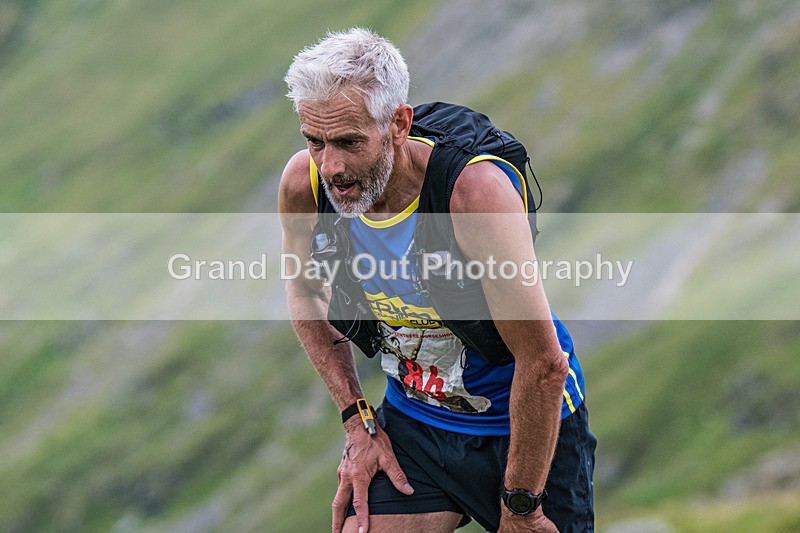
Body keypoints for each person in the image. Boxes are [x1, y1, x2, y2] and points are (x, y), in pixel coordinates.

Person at [279, 28, 595, 533]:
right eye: (314, 141)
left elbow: (544, 364)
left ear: (399, 123)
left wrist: (521, 507)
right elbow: (304, 291)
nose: (331, 166)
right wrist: (357, 421)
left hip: (526, 428)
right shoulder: (305, 185)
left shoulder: (473, 197)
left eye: (348, 142)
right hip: (415, 428)